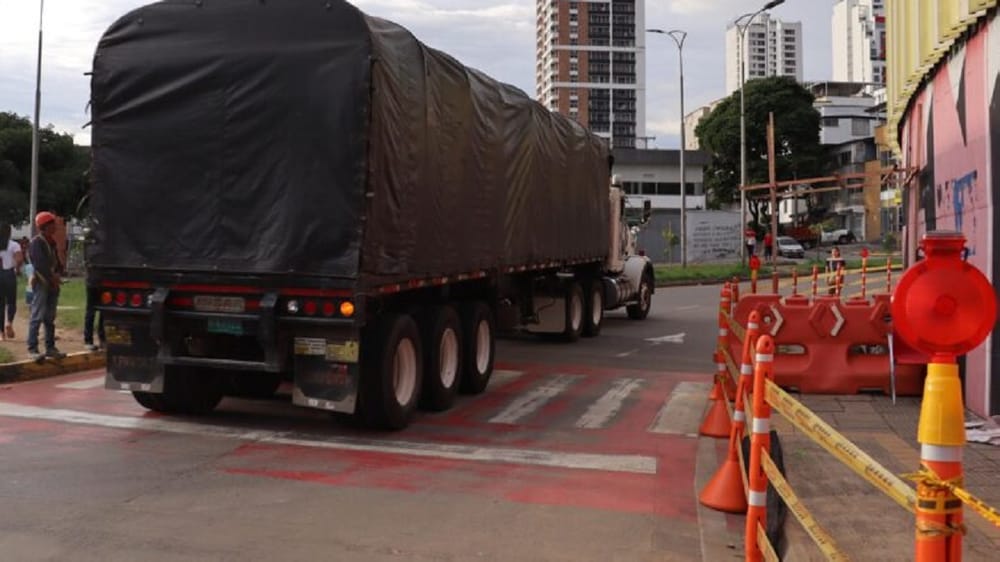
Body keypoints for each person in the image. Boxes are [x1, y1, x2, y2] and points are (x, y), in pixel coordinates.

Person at [27, 211, 66, 361]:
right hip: (41, 284)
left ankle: (50, 348)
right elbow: (40, 265)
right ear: (45, 226)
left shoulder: (51, 242)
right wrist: (53, 278)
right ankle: (33, 348)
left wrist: (59, 272)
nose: (55, 226)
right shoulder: (36, 242)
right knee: (37, 316)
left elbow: (56, 262)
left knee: (49, 317)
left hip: (51, 284)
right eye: (53, 224)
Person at [0, 223, 23, 340]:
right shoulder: (14, 245)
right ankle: (9, 322)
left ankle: (1, 334)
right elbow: (19, 259)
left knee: (0, 304)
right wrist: (17, 269)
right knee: (11, 302)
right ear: (9, 232)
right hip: (9, 274)